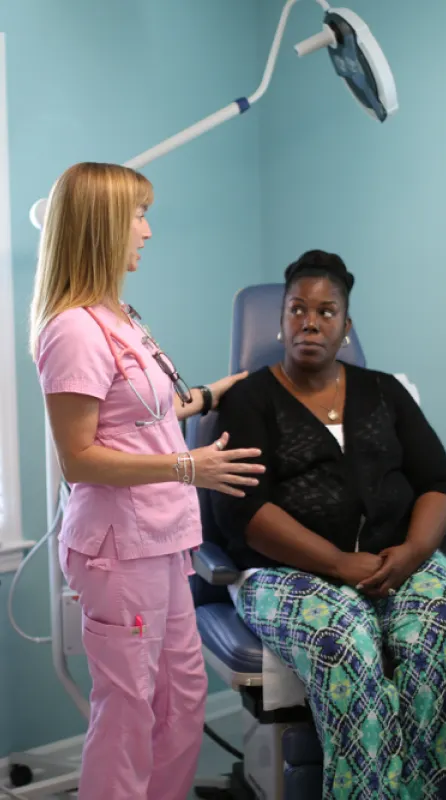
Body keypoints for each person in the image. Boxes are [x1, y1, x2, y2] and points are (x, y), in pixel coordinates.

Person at [209, 250, 446, 799]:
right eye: (297, 309)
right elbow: (247, 514)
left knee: (441, 634)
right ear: (282, 319)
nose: (310, 322)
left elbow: (439, 483)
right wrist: (338, 564)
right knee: (346, 643)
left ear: (346, 325)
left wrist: (412, 551)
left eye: (326, 312)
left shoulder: (385, 391)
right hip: (285, 574)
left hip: (396, 560)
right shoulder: (248, 400)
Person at [30, 162, 266, 800]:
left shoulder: (121, 315)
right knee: (130, 707)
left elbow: (149, 411)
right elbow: (79, 457)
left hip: (163, 538)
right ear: (104, 225)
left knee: (183, 696)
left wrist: (223, 390)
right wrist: (189, 466)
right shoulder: (73, 330)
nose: (148, 231)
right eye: (138, 215)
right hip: (118, 549)